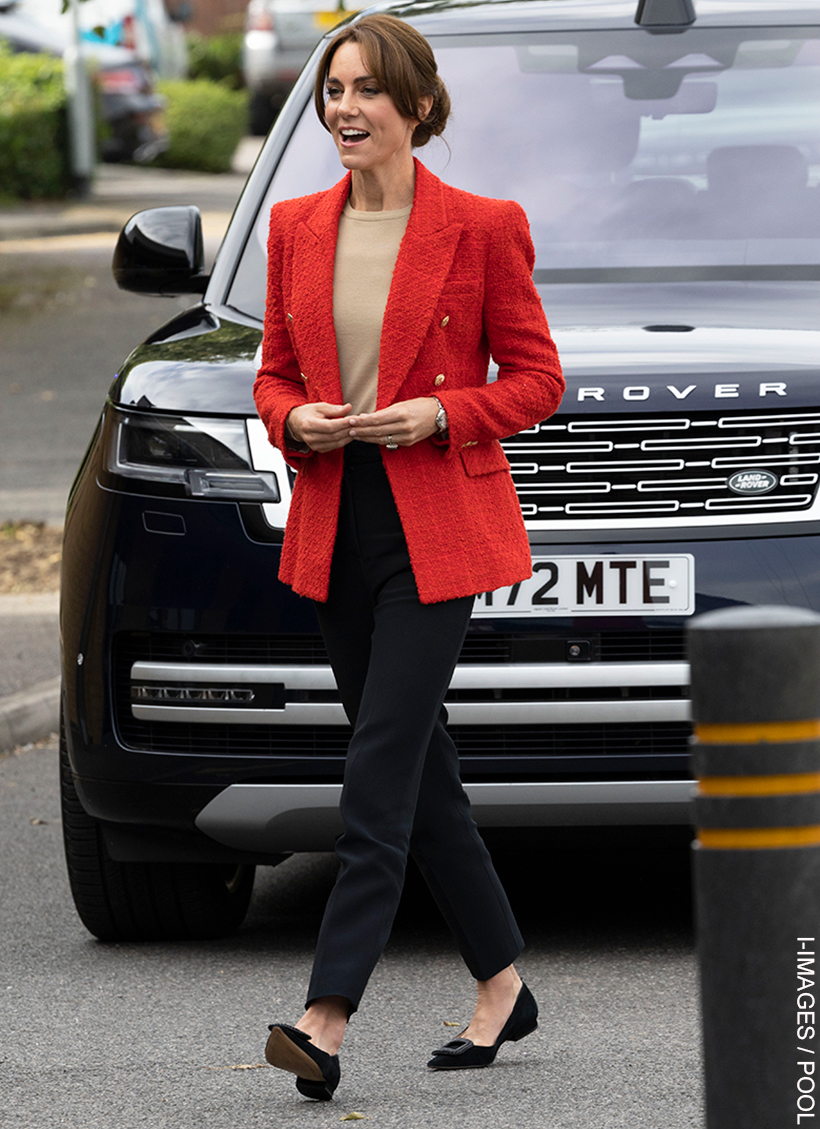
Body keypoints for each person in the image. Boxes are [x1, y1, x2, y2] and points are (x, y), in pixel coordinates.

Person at [253, 12, 564, 1101]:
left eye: (367, 90)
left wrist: (438, 415)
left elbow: (535, 381)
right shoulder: (294, 227)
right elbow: (274, 376)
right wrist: (300, 423)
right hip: (336, 525)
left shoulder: (481, 227)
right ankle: (502, 983)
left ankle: (325, 1014)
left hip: (436, 532)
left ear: (417, 109)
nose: (344, 107)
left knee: (377, 771)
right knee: (422, 774)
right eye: (333, 88)